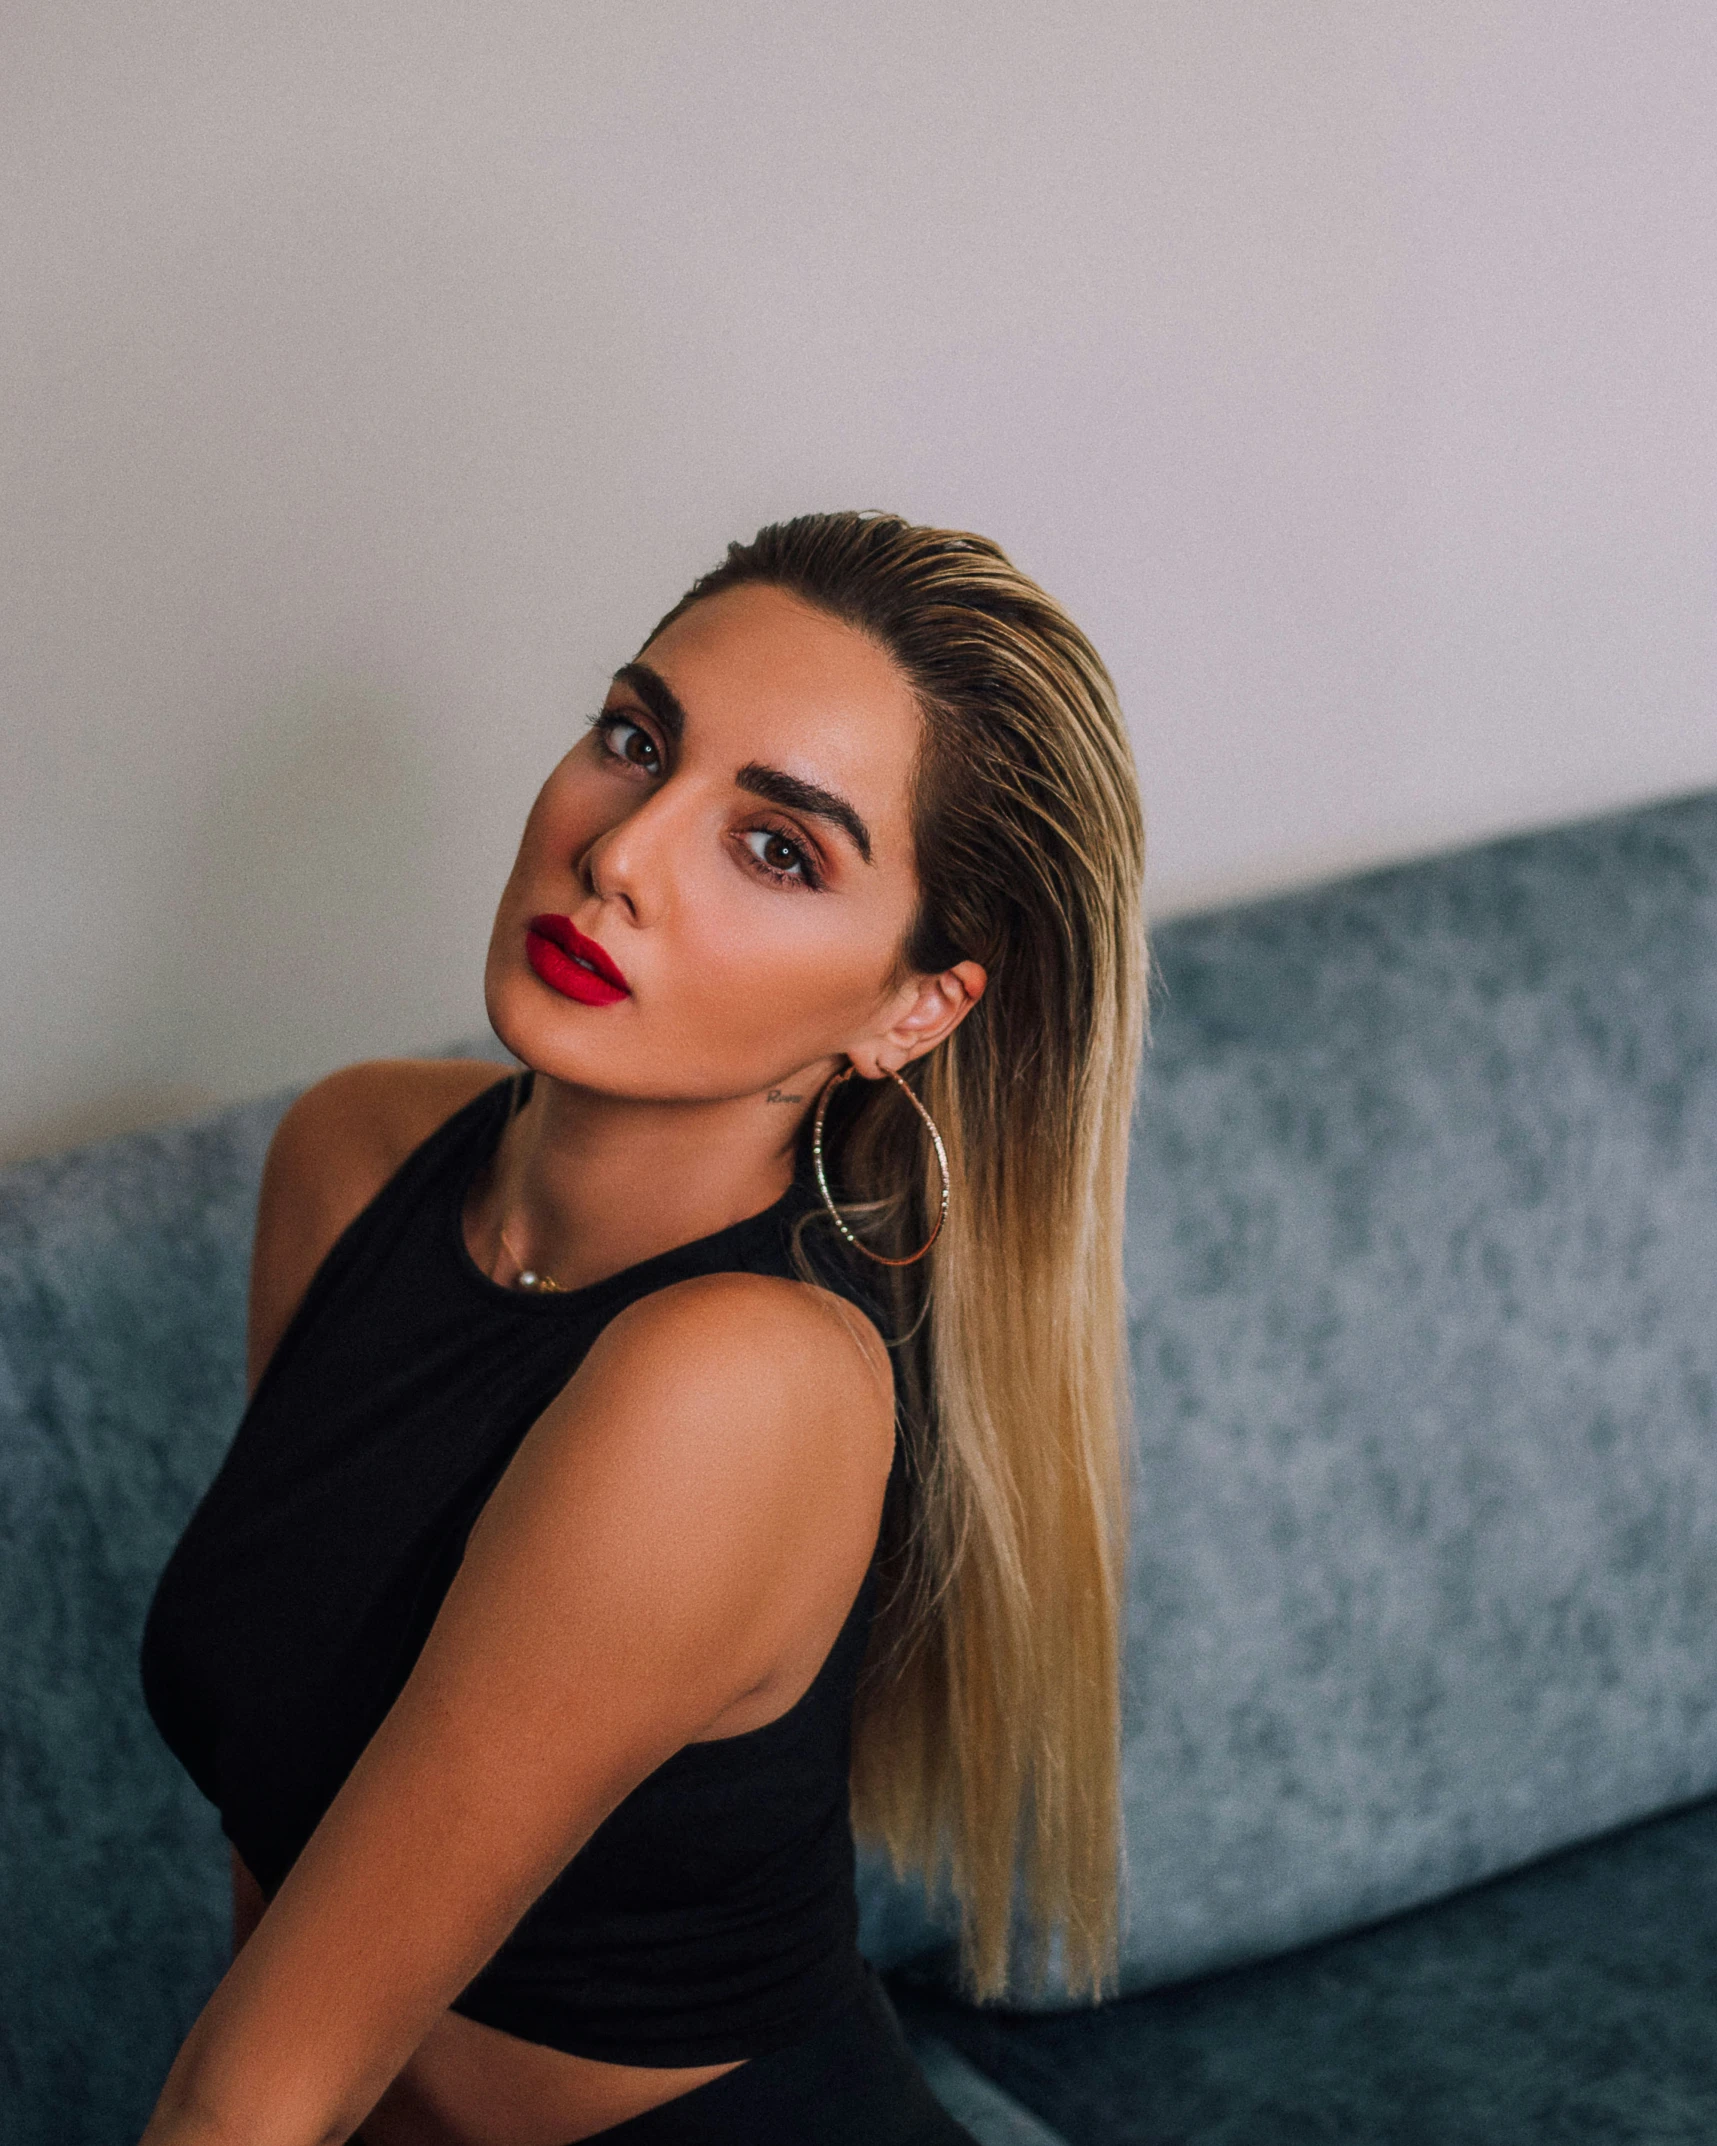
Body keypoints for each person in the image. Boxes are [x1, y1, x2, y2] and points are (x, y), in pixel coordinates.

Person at [137, 510, 1148, 2145]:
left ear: (914, 1006)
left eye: (779, 848)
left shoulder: (741, 1386)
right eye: (634, 739)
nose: (621, 851)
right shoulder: (356, 1156)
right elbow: (297, 1886)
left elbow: (251, 2098)